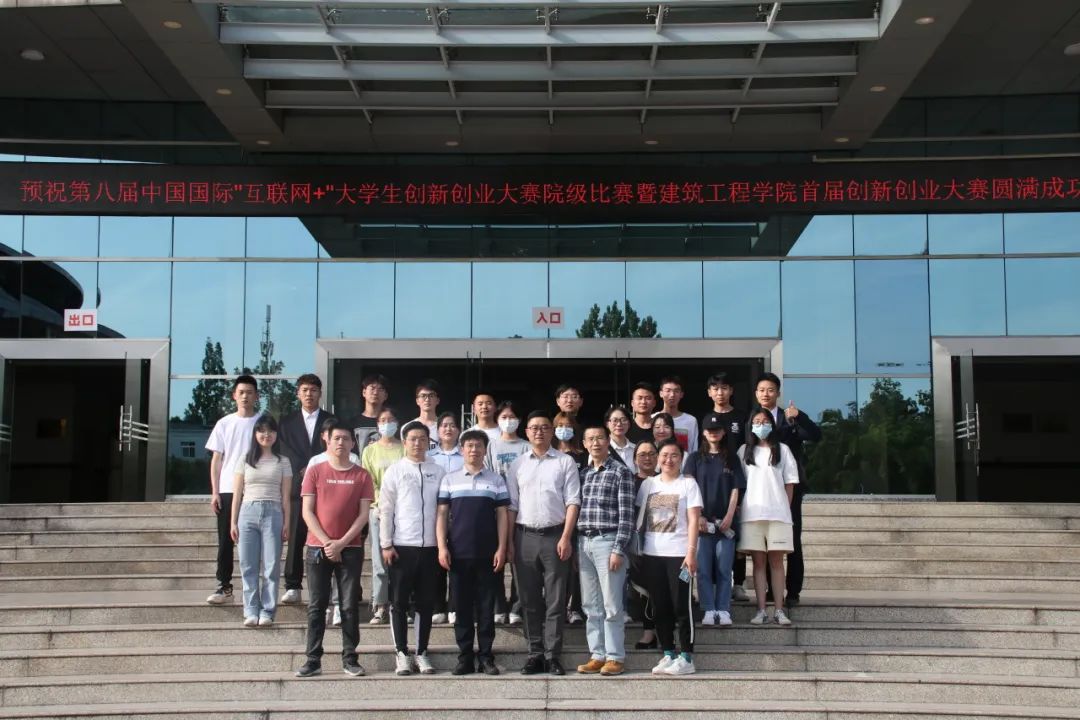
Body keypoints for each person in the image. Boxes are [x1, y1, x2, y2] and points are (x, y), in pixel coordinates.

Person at [295, 418, 374, 678]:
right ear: (327, 441)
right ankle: (312, 660)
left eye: (346, 439)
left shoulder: (362, 475)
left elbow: (363, 515)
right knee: (317, 606)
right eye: (336, 438)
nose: (341, 442)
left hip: (350, 548)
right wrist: (328, 542)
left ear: (353, 444)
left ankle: (350, 658)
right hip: (317, 548)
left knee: (349, 606)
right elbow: (307, 511)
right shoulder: (315, 471)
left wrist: (341, 543)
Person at [506, 410, 581, 676]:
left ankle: (552, 655)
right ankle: (534, 653)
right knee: (528, 599)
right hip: (524, 536)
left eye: (544, 427)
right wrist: (509, 542)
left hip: (555, 536)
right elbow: (512, 506)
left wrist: (566, 537)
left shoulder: (565, 462)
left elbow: (573, 501)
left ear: (552, 431)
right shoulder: (517, 465)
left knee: (556, 599)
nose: (539, 431)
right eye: (534, 427)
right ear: (526, 432)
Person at [437, 429, 509, 676]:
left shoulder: (496, 480)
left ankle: (486, 657)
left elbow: (502, 515)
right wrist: (442, 546)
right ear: (462, 449)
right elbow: (442, 514)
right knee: (462, 608)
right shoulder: (449, 479)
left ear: (485, 450)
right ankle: (465, 657)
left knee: (487, 608)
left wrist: (502, 547)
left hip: (488, 553)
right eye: (469, 446)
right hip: (458, 553)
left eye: (478, 446)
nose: (474, 450)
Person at [380, 421, 446, 676]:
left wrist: (442, 544)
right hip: (401, 546)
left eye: (422, 439)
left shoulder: (438, 471)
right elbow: (386, 509)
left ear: (429, 442)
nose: (417, 443)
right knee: (398, 602)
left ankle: (421, 652)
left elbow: (444, 510)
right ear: (404, 442)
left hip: (430, 546)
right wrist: (386, 543)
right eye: (412, 439)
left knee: (425, 603)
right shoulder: (395, 471)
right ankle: (401, 653)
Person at [753, 372, 821, 608]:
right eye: (762, 390)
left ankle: (792, 591)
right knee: (765, 541)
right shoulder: (752, 419)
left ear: (778, 393)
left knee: (791, 538)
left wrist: (799, 416)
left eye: (770, 390)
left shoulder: (789, 417)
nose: (766, 394)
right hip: (762, 490)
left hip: (790, 487)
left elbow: (815, 435)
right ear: (756, 393)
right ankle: (772, 591)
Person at [574, 425, 635, 677]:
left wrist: (619, 548)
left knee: (611, 604)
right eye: (590, 439)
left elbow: (627, 515)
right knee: (590, 604)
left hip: (607, 541)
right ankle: (597, 654)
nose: (595, 443)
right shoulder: (584, 474)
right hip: (584, 542)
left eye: (600, 438)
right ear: (584, 444)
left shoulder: (621, 471)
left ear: (608, 441)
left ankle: (615, 657)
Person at [637, 439, 702, 676]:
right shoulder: (648, 484)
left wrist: (691, 552)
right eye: (664, 455)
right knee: (660, 605)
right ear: (657, 458)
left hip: (679, 556)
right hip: (652, 555)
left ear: (681, 459)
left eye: (674, 455)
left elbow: (694, 520)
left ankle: (686, 656)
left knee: (681, 606)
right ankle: (668, 652)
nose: (668, 460)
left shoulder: (688, 484)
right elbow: (640, 520)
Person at [738, 409, 798, 626]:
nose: (761, 425)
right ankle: (761, 610)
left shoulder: (782, 449)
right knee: (758, 563)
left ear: (772, 424)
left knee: (777, 562)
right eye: (756, 421)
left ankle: (779, 610)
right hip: (752, 514)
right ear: (750, 425)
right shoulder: (744, 451)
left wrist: (784, 507)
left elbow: (790, 483)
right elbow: (739, 484)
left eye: (765, 421)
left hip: (778, 515)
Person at [684, 413, 745, 627]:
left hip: (726, 525)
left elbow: (736, 488)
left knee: (724, 568)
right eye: (710, 430)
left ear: (723, 432)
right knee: (703, 570)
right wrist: (698, 515)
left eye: (717, 430)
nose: (713, 433)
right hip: (701, 525)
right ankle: (708, 608)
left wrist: (730, 515)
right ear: (703, 432)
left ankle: (724, 609)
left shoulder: (731, 458)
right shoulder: (694, 458)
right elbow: (689, 488)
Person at [230, 414, 291, 627]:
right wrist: (233, 522)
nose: (266, 435)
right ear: (255, 434)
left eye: (271, 431)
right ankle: (250, 610)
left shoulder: (283, 461)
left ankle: (267, 611)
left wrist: (287, 522)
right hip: (248, 512)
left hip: (273, 512)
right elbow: (236, 494)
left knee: (271, 566)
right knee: (248, 565)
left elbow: (286, 497)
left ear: (276, 434)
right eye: (262, 431)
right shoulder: (245, 459)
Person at [278, 374, 334, 605]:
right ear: (298, 393)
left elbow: (334, 447)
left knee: (327, 536)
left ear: (320, 393)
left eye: (313, 390)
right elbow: (283, 449)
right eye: (304, 390)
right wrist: (303, 468)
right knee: (295, 536)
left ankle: (328, 586)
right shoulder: (286, 422)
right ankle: (293, 585)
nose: (309, 394)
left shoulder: (331, 420)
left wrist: (315, 468)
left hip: (326, 487)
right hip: (296, 486)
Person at [205, 375, 260, 605]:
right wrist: (215, 492)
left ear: (257, 396)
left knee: (256, 542)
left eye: (250, 392)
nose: (245, 396)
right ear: (234, 396)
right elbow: (217, 460)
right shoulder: (224, 423)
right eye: (241, 392)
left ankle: (256, 589)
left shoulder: (264, 422)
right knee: (226, 540)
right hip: (228, 489)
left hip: (257, 489)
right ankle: (224, 586)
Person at [706, 372, 749, 601]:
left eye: (724, 388)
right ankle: (715, 583)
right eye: (715, 388)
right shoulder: (706, 419)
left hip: (738, 482)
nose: (720, 392)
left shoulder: (742, 417)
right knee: (713, 538)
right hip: (713, 486)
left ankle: (738, 583)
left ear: (731, 391)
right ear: (709, 392)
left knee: (737, 535)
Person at [487, 401, 530, 626]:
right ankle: (498, 606)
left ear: (519, 421)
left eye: (512, 417)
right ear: (497, 420)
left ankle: (517, 606)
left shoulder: (526, 446)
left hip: (521, 510)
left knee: (518, 562)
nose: (508, 421)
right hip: (495, 510)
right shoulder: (491, 446)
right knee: (495, 560)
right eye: (504, 417)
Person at [361, 406, 404, 625]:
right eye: (383, 420)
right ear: (377, 425)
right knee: (379, 561)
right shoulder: (370, 451)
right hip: (378, 510)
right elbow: (369, 481)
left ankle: (401, 603)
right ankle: (379, 605)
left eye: (391, 419)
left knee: (401, 560)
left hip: (402, 511)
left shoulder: (404, 449)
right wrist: (380, 503)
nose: (387, 423)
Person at [426, 411, 462, 624]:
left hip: (459, 517)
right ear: (437, 430)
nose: (448, 429)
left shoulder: (465, 455)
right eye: (444, 425)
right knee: (436, 562)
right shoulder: (429, 457)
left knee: (457, 561)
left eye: (452, 425)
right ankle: (438, 605)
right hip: (435, 515)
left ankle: (455, 605)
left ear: (459, 430)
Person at [552, 410, 585, 625]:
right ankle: (558, 605)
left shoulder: (582, 455)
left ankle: (575, 607)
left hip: (579, 516)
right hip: (555, 516)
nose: (564, 429)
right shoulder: (551, 454)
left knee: (576, 564)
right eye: (560, 425)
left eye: (568, 426)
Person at [630, 440, 660, 649]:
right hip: (637, 544)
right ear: (634, 459)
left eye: (651, 454)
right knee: (642, 590)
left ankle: (664, 631)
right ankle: (649, 631)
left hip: (664, 543)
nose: (647, 458)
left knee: (663, 589)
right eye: (642, 454)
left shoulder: (666, 480)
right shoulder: (628, 481)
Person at [347, 374, 389, 451]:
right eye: (372, 388)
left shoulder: (391, 422)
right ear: (364, 392)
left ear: (386, 396)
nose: (375, 392)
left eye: (380, 389)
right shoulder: (353, 423)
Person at [658, 376, 699, 454]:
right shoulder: (653, 418)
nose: (672, 395)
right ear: (661, 393)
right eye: (668, 390)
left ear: (681, 394)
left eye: (676, 391)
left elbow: (694, 449)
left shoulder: (691, 420)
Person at [406, 379, 441, 449]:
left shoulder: (445, 428)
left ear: (437, 400)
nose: (427, 399)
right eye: (423, 395)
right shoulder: (407, 427)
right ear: (417, 401)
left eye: (431, 395)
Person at [604, 406, 636, 474]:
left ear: (629, 424)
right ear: (607, 424)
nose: (619, 424)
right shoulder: (601, 448)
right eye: (615, 420)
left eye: (623, 420)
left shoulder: (636, 449)